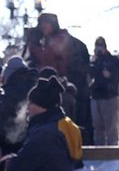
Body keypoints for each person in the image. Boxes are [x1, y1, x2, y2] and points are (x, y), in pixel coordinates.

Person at [23, 12, 92, 143]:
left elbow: (55, 60)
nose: (43, 28)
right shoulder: (43, 41)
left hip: (68, 88)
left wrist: (35, 45)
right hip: (55, 87)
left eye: (45, 24)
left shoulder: (62, 41)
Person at [88, 36, 119, 145]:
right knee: (97, 127)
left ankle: (113, 150)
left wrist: (111, 75)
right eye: (97, 46)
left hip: (109, 97)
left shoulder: (113, 60)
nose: (99, 49)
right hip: (95, 97)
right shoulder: (93, 61)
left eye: (101, 46)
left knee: (111, 128)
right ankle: (99, 150)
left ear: (105, 47)